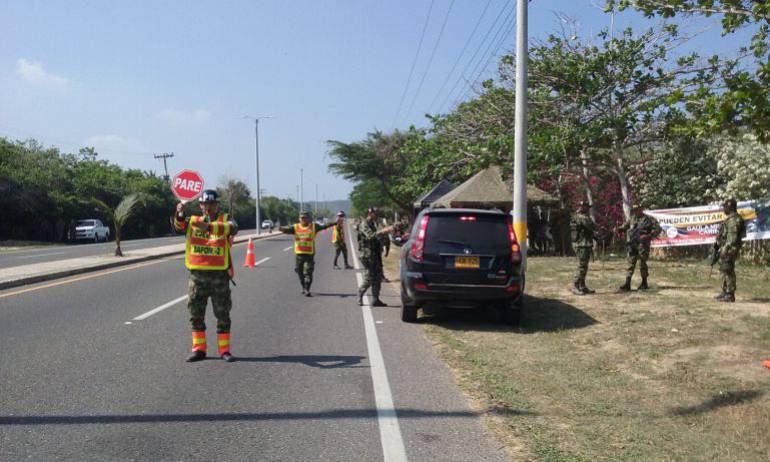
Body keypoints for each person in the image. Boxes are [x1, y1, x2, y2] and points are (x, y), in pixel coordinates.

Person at [172, 190, 238, 363]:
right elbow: (178, 226)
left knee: (223, 314)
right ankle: (199, 349)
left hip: (219, 277)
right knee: (195, 313)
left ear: (217, 205)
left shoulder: (226, 219)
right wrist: (179, 212)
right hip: (198, 277)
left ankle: (225, 350)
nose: (208, 207)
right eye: (205, 204)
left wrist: (209, 227)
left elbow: (233, 228)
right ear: (200, 205)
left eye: (212, 204)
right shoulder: (193, 221)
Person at [280, 211, 335, 297]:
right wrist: (281, 229)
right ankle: (303, 287)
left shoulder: (313, 226)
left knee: (308, 273)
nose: (303, 219)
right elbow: (286, 230)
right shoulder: (296, 227)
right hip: (299, 255)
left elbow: (324, 226)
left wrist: (335, 223)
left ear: (309, 218)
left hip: (309, 255)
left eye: (305, 218)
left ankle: (307, 289)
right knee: (299, 272)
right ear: (299, 219)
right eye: (302, 218)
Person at [618, 205, 662, 291]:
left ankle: (644, 283)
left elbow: (658, 229)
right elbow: (624, 226)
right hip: (632, 243)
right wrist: (619, 229)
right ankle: (627, 283)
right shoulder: (632, 219)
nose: (636, 211)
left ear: (641, 209)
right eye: (634, 210)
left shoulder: (649, 219)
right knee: (630, 263)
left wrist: (649, 236)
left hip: (643, 245)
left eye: (637, 209)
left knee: (642, 263)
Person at [357, 207, 393, 306]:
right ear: (370, 213)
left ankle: (375, 299)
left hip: (374, 253)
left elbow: (377, 238)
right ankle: (360, 294)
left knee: (377, 277)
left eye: (377, 213)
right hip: (367, 255)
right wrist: (383, 231)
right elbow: (370, 236)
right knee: (369, 277)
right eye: (375, 213)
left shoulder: (373, 223)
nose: (377, 215)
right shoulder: (364, 224)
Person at [714, 198, 745, 302]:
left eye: (725, 206)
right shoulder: (730, 219)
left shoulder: (733, 220)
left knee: (728, 270)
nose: (724, 208)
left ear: (730, 206)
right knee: (724, 269)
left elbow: (732, 238)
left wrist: (724, 249)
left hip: (730, 249)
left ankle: (730, 294)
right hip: (726, 248)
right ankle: (725, 291)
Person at [570, 200, 597, 295]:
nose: (587, 209)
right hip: (582, 245)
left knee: (584, 266)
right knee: (582, 266)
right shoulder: (582, 217)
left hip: (583, 244)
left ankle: (582, 286)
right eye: (586, 207)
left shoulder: (578, 216)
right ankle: (575, 286)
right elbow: (592, 227)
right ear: (582, 207)